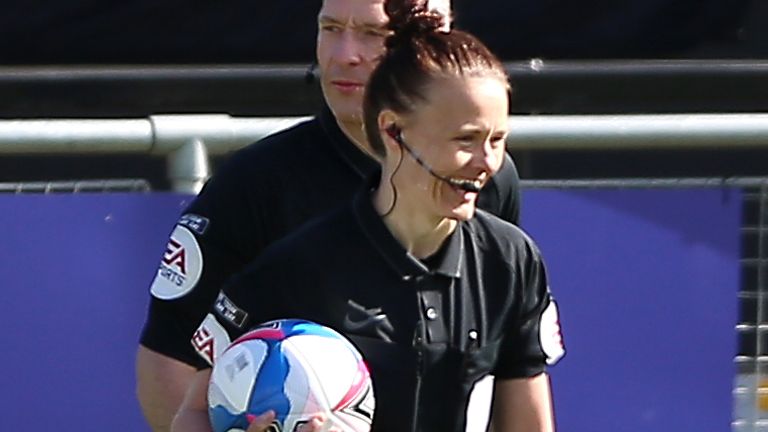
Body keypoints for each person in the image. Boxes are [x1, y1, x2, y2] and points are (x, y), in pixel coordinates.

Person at [173, 4, 565, 432]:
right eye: (465, 140)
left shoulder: (511, 259)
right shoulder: (295, 269)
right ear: (393, 131)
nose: (486, 162)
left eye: (497, 139)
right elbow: (193, 413)